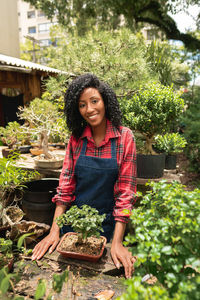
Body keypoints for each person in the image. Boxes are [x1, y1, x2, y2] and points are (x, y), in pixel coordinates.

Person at [31, 73, 137, 278]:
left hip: (108, 227)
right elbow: (65, 188)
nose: (89, 109)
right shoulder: (76, 139)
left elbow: (126, 194)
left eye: (94, 101)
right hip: (74, 227)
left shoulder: (125, 138)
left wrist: (117, 242)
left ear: (105, 101)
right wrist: (54, 232)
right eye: (82, 105)